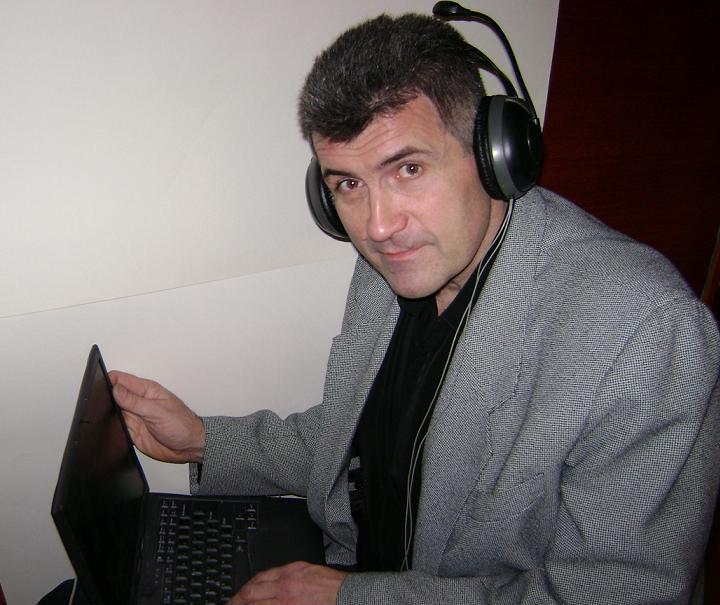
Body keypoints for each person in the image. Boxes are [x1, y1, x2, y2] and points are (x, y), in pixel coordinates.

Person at [110, 13, 720, 605]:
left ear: (493, 154)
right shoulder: (397, 268)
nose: (377, 227)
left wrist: (353, 598)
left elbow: (617, 592)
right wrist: (205, 441)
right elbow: (363, 441)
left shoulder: (642, 327)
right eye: (348, 184)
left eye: (408, 168)